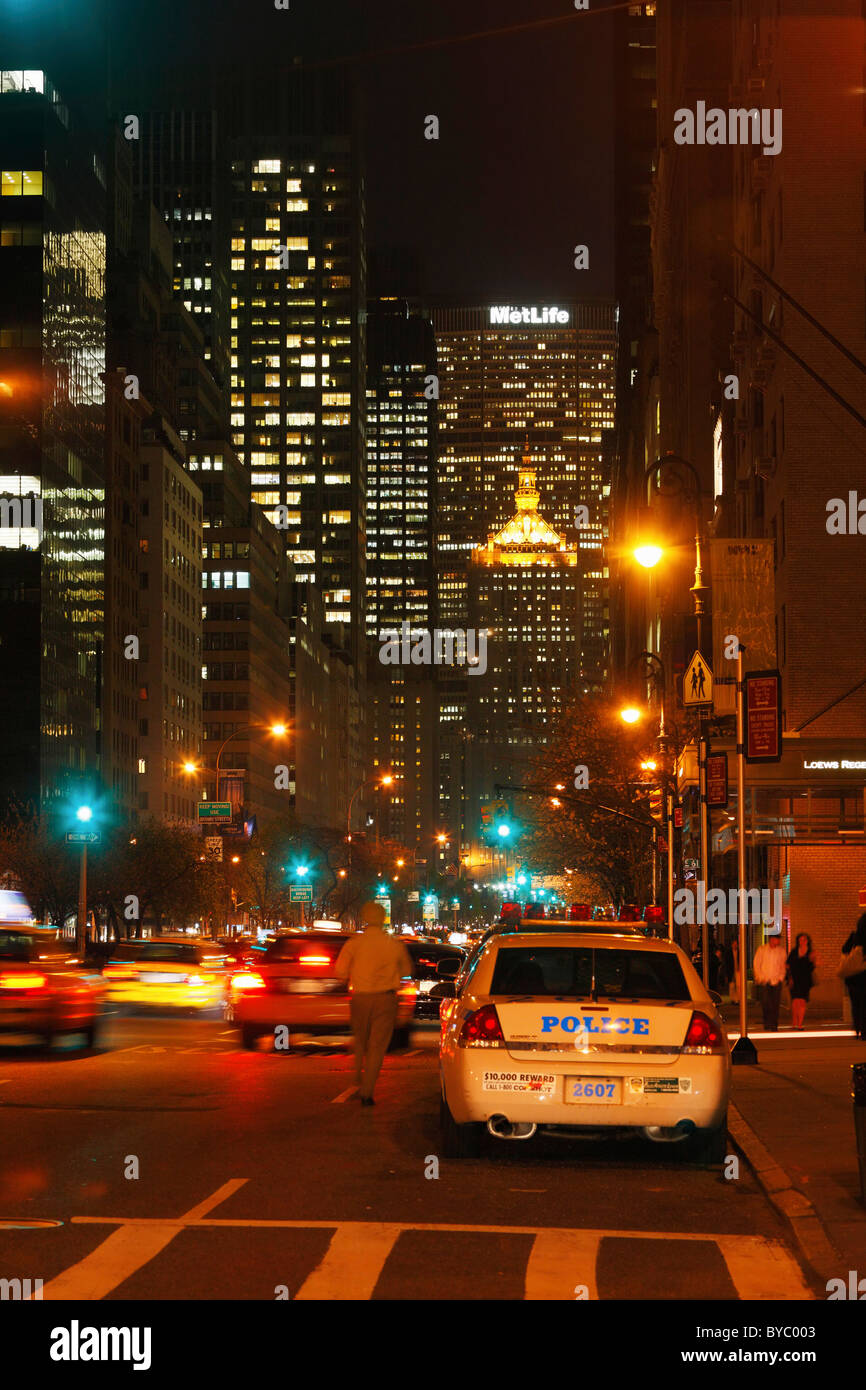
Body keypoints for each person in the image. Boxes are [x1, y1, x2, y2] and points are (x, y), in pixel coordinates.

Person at [335, 901, 413, 1105]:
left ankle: (358, 1076)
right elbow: (406, 970)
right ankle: (367, 1091)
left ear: (364, 917)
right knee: (378, 1045)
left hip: (360, 997)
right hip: (386, 999)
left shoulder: (354, 943)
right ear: (382, 918)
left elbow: (340, 971)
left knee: (360, 1040)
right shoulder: (394, 944)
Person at [753, 931, 787, 1031]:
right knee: (766, 1003)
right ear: (771, 939)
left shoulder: (781, 951)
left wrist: (781, 977)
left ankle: (774, 1024)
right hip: (765, 980)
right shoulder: (762, 949)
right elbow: (757, 963)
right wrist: (760, 977)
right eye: (776, 939)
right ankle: (767, 1023)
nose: (778, 941)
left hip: (776, 980)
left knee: (775, 1004)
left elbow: (783, 966)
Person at [840, 913, 866, 1040]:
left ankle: (857, 1029)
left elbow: (844, 950)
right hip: (861, 976)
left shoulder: (855, 938)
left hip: (854, 978)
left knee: (856, 1005)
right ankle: (863, 1030)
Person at [786, 933, 817, 1030]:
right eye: (800, 940)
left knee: (802, 1002)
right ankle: (794, 1023)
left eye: (804, 940)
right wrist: (789, 978)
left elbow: (813, 967)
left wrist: (814, 960)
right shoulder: (794, 952)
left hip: (805, 980)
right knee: (795, 1002)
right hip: (794, 979)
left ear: (807, 941)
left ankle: (800, 1024)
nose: (802, 942)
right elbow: (788, 965)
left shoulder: (811, 952)